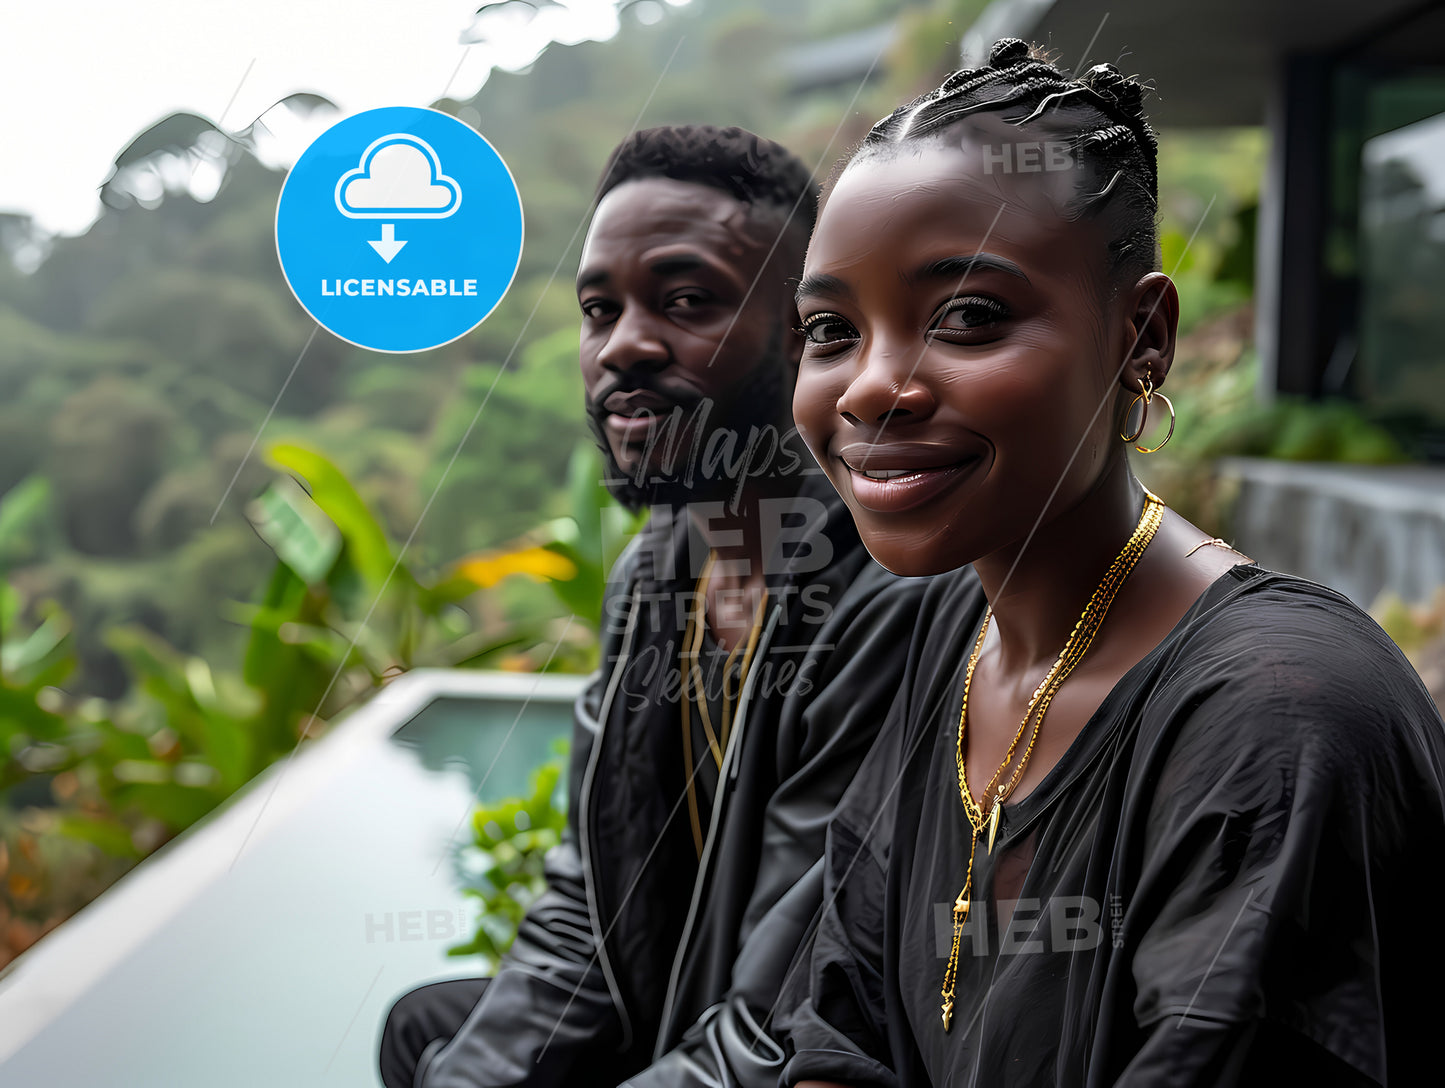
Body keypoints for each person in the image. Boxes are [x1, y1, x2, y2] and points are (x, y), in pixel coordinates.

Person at [777, 39, 1445, 1087]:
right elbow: (840, 1019)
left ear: (1141, 334)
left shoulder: (1278, 720)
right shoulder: (951, 638)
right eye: (827, 329)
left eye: (965, 316)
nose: (867, 386)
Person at [378, 124, 935, 1088]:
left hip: (814, 1058)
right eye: (600, 309)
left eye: (686, 301)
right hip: (673, 1011)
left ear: (807, 329)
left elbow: (782, 1023)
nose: (624, 345)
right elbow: (587, 905)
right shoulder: (654, 578)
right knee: (429, 1038)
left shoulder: (882, 594)